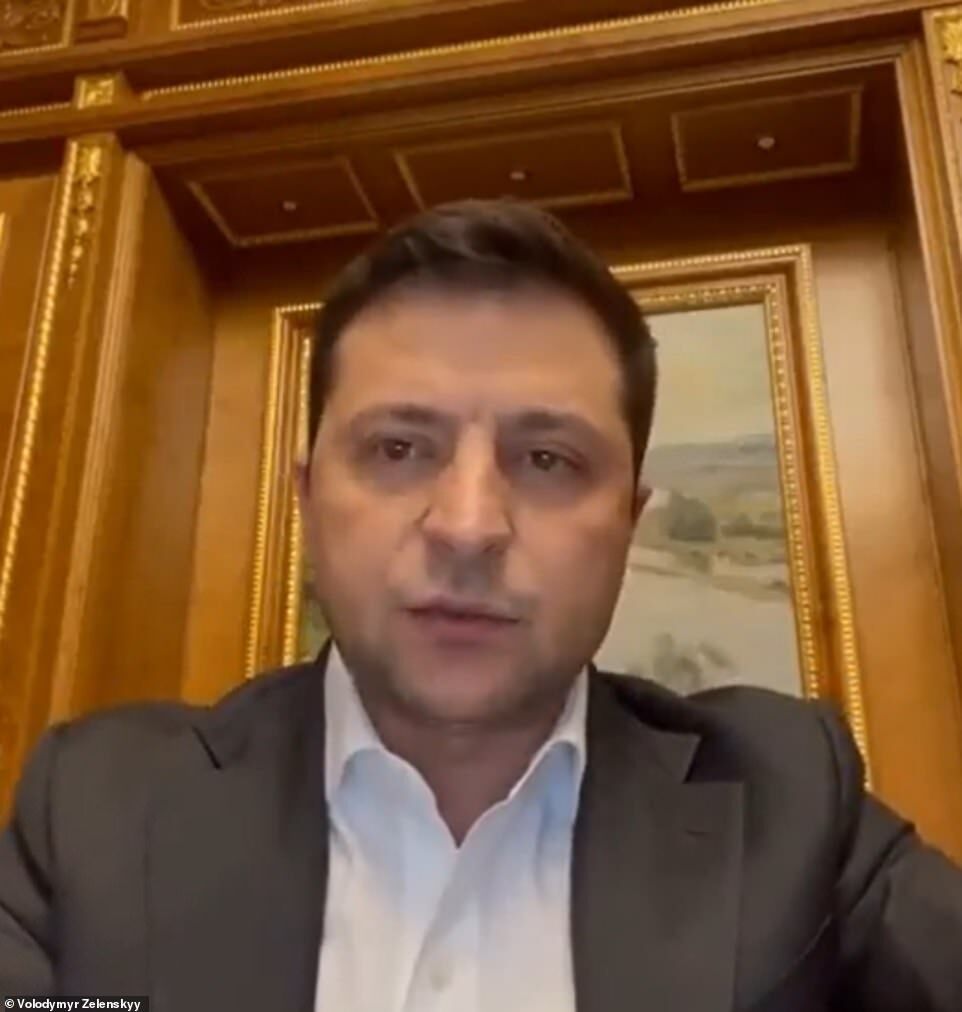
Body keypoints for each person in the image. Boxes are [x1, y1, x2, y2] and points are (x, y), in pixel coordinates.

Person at [0, 199, 960, 1011]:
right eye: (398, 448)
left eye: (547, 459)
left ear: (627, 524)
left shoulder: (792, 801)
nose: (467, 527)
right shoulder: (94, 812)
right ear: (308, 499)